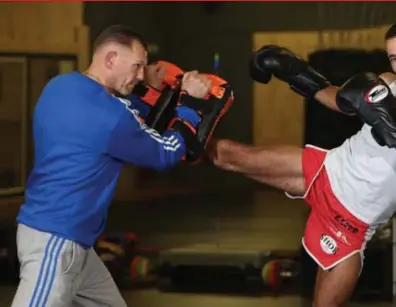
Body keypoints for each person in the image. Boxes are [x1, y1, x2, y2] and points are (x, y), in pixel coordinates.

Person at [205, 18, 396, 306]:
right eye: (394, 58)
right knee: (231, 155)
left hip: (354, 218)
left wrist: (389, 122)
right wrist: (295, 73)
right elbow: (342, 101)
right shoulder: (390, 82)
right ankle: (169, 131)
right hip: (329, 169)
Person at [11, 25, 231, 307]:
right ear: (112, 59)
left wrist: (146, 94)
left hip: (73, 243)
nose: (140, 75)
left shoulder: (60, 87)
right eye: (137, 66)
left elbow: (114, 122)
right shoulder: (112, 116)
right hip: (55, 241)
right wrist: (190, 103)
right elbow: (165, 152)